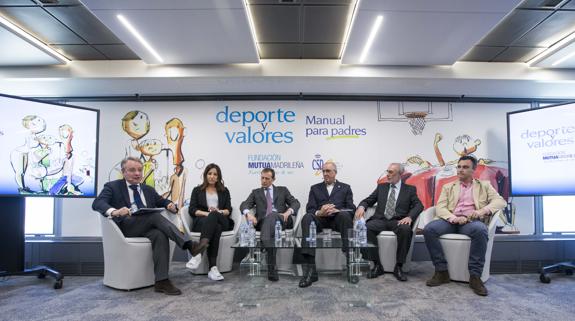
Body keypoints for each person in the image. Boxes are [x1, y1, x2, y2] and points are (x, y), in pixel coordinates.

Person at [92, 157, 206, 295]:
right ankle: (189, 245)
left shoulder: (148, 189)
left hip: (147, 228)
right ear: (123, 172)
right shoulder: (113, 186)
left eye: (140, 170)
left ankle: (162, 281)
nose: (137, 173)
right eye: (132, 170)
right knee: (154, 216)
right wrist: (115, 211)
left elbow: (161, 200)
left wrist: (168, 204)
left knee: (160, 234)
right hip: (127, 228)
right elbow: (97, 203)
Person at [423, 155, 506, 296]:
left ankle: (475, 276)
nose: (460, 170)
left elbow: (500, 202)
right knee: (429, 229)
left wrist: (481, 211)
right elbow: (440, 207)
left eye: (465, 167)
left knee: (481, 230)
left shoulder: (484, 185)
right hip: (450, 220)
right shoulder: (448, 186)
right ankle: (441, 271)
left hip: (471, 222)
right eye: (459, 167)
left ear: (474, 170)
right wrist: (454, 218)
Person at [355, 163, 423, 281]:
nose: (388, 175)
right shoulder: (382, 187)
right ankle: (376, 265)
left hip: (397, 221)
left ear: (400, 175)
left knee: (406, 229)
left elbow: (419, 205)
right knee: (364, 228)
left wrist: (410, 217)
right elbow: (368, 200)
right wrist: (361, 206)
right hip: (380, 220)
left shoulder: (409, 190)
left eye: (391, 172)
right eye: (387, 171)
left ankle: (399, 266)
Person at [299, 161, 356, 288]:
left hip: (338, 219)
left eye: (328, 171)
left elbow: (351, 209)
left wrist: (338, 210)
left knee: (345, 215)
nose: (325, 173)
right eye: (323, 171)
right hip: (321, 219)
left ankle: (350, 264)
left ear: (335, 172)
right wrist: (320, 212)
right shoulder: (315, 188)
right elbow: (310, 208)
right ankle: (310, 271)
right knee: (307, 218)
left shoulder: (345, 187)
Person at [240, 168, 300, 282]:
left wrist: (288, 212)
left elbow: (296, 202)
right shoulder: (255, 192)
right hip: (262, 223)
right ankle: (271, 268)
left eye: (267, 178)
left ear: (273, 179)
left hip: (281, 220)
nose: (263, 181)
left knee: (272, 215)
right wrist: (249, 215)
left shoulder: (283, 190)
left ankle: (262, 248)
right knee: (269, 223)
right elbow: (244, 204)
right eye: (262, 178)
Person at [187, 163, 234, 281]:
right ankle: (213, 268)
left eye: (215, 174)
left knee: (216, 219)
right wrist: (208, 214)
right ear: (205, 175)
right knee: (216, 227)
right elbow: (192, 209)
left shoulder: (224, 191)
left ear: (218, 177)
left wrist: (218, 212)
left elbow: (229, 210)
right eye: (210, 173)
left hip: (222, 219)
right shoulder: (197, 190)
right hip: (203, 221)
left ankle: (198, 253)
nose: (212, 176)